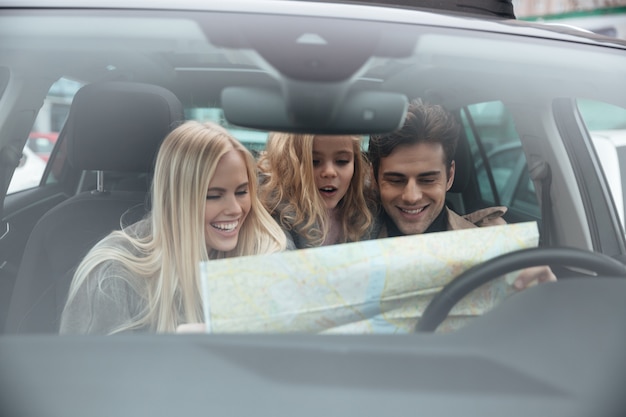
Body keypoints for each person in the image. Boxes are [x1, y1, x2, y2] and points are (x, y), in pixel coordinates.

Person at [60, 121, 288, 334]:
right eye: (213, 196)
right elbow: (89, 372)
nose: (235, 209)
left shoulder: (266, 252)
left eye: (241, 192)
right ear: (176, 199)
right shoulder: (113, 276)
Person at [368, 98, 555, 288]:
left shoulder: (491, 246)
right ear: (373, 178)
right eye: (395, 180)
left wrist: (541, 296)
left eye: (428, 180)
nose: (412, 196)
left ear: (449, 176)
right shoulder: (347, 239)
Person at [257, 132, 376, 249]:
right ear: (287, 166)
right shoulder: (270, 210)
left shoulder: (368, 211)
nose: (330, 172)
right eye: (314, 162)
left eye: (342, 161)